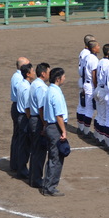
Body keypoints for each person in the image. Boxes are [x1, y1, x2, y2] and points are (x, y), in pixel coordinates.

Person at [41, 67, 69, 197]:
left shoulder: (48, 90)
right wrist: (63, 131)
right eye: (63, 76)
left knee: (53, 157)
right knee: (56, 158)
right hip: (55, 128)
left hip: (50, 126)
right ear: (58, 79)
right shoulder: (56, 93)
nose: (64, 78)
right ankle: (50, 187)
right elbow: (59, 116)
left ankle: (48, 185)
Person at [29, 62, 50, 189]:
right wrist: (44, 125)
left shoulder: (34, 84)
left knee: (35, 150)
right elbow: (41, 108)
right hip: (38, 120)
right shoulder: (42, 88)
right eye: (48, 71)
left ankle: (33, 177)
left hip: (33, 119)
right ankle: (36, 179)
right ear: (43, 73)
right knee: (40, 152)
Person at [10, 57, 30, 172]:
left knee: (17, 137)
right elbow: (22, 95)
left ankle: (15, 163)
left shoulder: (16, 76)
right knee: (20, 138)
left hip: (17, 106)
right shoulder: (19, 78)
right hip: (19, 108)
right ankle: (18, 164)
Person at [16, 62, 35, 180]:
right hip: (24, 117)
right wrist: (30, 119)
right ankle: (22, 170)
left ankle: (20, 168)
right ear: (28, 74)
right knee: (25, 145)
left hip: (20, 116)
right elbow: (28, 108)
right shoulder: (27, 88)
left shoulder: (21, 84)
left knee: (22, 144)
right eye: (32, 71)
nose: (34, 73)